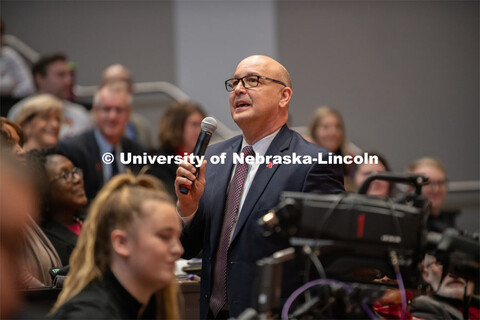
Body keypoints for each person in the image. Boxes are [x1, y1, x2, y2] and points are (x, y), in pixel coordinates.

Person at [176, 55, 345, 319]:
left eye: (252, 80)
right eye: (234, 83)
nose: (239, 89)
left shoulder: (313, 163)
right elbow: (188, 248)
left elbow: (328, 263)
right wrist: (188, 209)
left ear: (284, 96)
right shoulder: (214, 158)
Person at [50, 173, 184, 319]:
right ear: (121, 243)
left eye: (177, 238)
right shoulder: (89, 315)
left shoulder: (150, 306)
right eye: (164, 237)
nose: (178, 249)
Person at [58, 81, 146, 202]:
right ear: (95, 111)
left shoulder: (138, 151)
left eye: (119, 110)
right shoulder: (74, 150)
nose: (112, 116)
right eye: (106, 109)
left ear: (128, 114)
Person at [7, 53, 91, 138]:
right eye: (61, 75)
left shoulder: (80, 114)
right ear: (39, 79)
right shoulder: (20, 112)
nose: (68, 81)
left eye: (69, 75)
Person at [27, 148, 87, 266]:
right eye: (65, 175)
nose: (77, 179)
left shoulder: (90, 221)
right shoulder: (49, 242)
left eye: (74, 171)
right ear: (44, 190)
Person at [150, 101, 207, 197]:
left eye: (202, 126)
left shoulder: (206, 160)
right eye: (194, 124)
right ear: (177, 127)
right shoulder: (157, 162)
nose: (200, 131)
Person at [410, 253, 479, 319]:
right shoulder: (424, 307)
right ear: (426, 274)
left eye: (461, 264)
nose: (454, 274)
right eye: (441, 263)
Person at [308, 106, 360, 192]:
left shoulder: (351, 161)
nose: (333, 132)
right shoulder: (304, 161)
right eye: (326, 127)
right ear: (314, 131)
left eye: (337, 127)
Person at [407, 157, 457, 232]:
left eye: (440, 183)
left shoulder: (448, 223)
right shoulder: (403, 224)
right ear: (410, 188)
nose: (436, 189)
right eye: (429, 183)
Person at [0, 19, 35, 98]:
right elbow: (8, 84)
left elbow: (29, 85)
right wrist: (8, 84)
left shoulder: (9, 55)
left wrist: (11, 96)